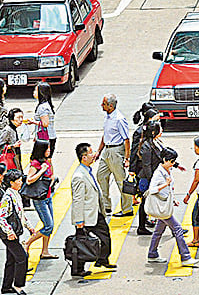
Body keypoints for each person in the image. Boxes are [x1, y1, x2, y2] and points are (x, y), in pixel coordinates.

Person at [145, 147, 199, 267]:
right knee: (178, 229)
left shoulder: (166, 168)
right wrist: (166, 184)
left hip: (165, 205)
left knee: (158, 231)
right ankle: (185, 257)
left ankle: (152, 254)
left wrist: (172, 199)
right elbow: (152, 189)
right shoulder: (158, 174)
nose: (173, 164)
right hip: (162, 208)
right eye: (172, 161)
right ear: (164, 160)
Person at [70, 143, 114, 277]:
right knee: (83, 243)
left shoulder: (87, 171)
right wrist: (79, 221)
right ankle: (77, 269)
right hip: (86, 216)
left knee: (104, 236)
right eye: (90, 152)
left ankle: (102, 259)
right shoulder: (79, 176)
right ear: (84, 157)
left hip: (95, 212)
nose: (93, 154)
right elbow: (78, 200)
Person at [0, 169, 34, 295]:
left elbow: (20, 213)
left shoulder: (16, 194)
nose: (21, 182)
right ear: (12, 183)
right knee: (22, 257)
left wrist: (29, 226)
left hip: (15, 233)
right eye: (18, 180)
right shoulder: (8, 197)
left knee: (11, 260)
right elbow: (1, 217)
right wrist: (9, 232)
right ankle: (18, 285)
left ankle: (6, 287)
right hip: (9, 235)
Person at [95, 93, 133, 217]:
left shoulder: (119, 119)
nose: (101, 105)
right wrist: (99, 151)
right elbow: (105, 135)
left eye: (104, 104)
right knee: (101, 176)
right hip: (106, 150)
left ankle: (127, 208)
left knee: (121, 181)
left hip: (116, 151)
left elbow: (126, 140)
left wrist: (127, 158)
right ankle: (106, 206)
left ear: (110, 106)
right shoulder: (107, 117)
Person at [24, 140, 58, 259]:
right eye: (47, 149)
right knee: (48, 226)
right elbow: (29, 180)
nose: (49, 151)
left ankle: (45, 251)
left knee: (50, 225)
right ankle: (27, 243)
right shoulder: (35, 164)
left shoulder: (47, 161)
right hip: (39, 198)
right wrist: (42, 171)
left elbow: (52, 175)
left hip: (48, 196)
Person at [134, 120, 164, 235]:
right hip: (147, 180)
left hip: (153, 178)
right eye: (159, 129)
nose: (162, 131)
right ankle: (141, 227)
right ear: (153, 132)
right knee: (145, 202)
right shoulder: (146, 147)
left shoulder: (156, 142)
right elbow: (146, 166)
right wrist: (153, 182)